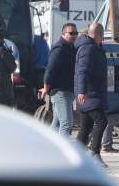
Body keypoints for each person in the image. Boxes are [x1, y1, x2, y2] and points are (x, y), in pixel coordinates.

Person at [73, 21, 110, 165]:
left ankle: (77, 156)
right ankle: (94, 154)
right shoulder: (89, 49)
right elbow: (82, 71)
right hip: (90, 93)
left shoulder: (93, 48)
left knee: (86, 126)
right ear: (101, 34)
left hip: (91, 93)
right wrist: (82, 91)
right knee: (101, 121)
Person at [42, 23, 78, 136]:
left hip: (68, 91)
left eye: (76, 33)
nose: (74, 35)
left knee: (56, 123)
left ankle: (46, 145)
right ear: (63, 34)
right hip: (60, 91)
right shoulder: (60, 49)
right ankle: (61, 152)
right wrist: (45, 89)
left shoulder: (71, 48)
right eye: (71, 33)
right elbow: (50, 70)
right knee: (66, 124)